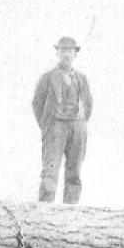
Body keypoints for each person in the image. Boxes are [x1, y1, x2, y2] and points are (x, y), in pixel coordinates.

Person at [32, 36, 92, 204]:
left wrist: (80, 124)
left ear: (75, 54)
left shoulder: (81, 79)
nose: (66, 54)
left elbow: (88, 104)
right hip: (55, 128)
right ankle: (45, 211)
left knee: (75, 173)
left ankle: (70, 212)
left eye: (70, 51)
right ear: (57, 53)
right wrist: (48, 126)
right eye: (63, 50)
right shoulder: (47, 78)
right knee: (50, 172)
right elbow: (37, 104)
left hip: (78, 128)